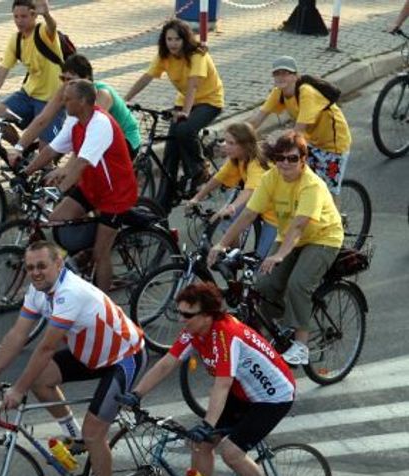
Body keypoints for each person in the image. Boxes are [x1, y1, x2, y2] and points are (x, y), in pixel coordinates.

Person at [0, 241, 147, 476]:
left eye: (41, 266)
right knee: (41, 380)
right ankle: (74, 437)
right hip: (89, 354)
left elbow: (46, 347)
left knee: (94, 432)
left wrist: (17, 391)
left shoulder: (69, 293)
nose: (35, 272)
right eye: (30, 267)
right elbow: (16, 335)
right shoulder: (38, 291)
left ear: (58, 265)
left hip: (123, 358)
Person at [121, 282, 291, 476]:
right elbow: (168, 363)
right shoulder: (195, 331)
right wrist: (136, 394)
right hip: (242, 393)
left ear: (208, 314)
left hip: (272, 397)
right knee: (200, 444)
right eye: (179, 312)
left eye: (187, 315)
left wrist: (208, 425)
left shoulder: (226, 335)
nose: (181, 319)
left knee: (231, 452)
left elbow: (221, 385)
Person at [210, 131, 343, 366]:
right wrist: (221, 244)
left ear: (303, 159)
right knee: (264, 285)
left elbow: (300, 225)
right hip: (290, 236)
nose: (285, 163)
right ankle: (272, 334)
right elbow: (249, 213)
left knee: (298, 284)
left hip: (322, 238)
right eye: (280, 158)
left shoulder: (311, 184)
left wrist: (280, 255)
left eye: (292, 158)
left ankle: (301, 345)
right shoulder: (272, 177)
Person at [19, 79, 138, 294]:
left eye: (67, 99)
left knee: (100, 255)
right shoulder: (74, 121)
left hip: (115, 194)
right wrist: (24, 173)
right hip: (91, 187)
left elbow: (81, 163)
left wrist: (59, 190)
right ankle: (80, 258)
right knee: (56, 219)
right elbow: (52, 150)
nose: (63, 103)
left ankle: (102, 307)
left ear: (82, 101)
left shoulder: (100, 123)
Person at [125, 18, 225, 212]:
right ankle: (163, 203)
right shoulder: (164, 56)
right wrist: (124, 99)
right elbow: (147, 77)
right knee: (170, 151)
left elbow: (193, 85)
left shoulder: (197, 54)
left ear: (185, 39)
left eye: (177, 39)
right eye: (169, 39)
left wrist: (185, 113)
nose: (172, 43)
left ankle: (199, 169)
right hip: (184, 101)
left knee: (185, 129)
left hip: (209, 101)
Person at [246, 56, 351, 194]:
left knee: (327, 191)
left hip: (334, 145)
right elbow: (257, 120)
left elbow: (298, 131)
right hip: (312, 142)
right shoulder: (278, 93)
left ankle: (334, 215)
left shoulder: (306, 92)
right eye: (276, 73)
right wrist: (236, 136)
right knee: (292, 177)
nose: (280, 77)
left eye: (285, 73)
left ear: (295, 76)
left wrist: (275, 139)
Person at [0, 0, 67, 145]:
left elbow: (52, 27)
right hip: (28, 94)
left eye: (24, 16)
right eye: (16, 17)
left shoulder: (43, 33)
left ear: (34, 16)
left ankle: (37, 160)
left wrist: (46, 14)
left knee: (45, 160)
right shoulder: (15, 40)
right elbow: (0, 74)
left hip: (52, 99)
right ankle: (21, 155)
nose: (19, 21)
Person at [10, 53, 142, 161]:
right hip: (101, 139)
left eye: (71, 80)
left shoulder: (103, 94)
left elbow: (90, 133)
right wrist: (19, 147)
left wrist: (69, 168)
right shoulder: (67, 89)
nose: (67, 84)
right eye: (63, 79)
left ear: (87, 78)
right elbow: (43, 119)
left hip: (126, 139)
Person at [185, 122, 277, 255]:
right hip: (257, 202)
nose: (225, 146)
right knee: (227, 223)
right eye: (225, 141)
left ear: (245, 145)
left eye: (231, 143)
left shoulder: (256, 164)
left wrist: (231, 207)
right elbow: (219, 177)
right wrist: (196, 198)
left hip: (274, 215)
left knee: (262, 263)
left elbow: (250, 191)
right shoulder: (237, 158)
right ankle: (234, 256)